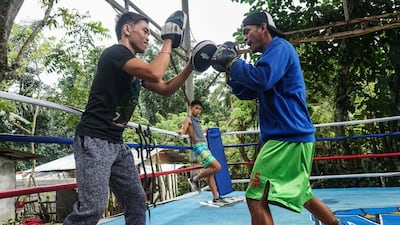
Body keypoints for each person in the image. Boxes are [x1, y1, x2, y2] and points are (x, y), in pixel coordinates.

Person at [210, 12, 340, 225]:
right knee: (303, 194)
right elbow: (249, 91)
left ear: (263, 27)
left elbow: (261, 79)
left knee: (255, 197)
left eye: (247, 32)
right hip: (292, 137)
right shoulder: (268, 58)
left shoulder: (280, 47)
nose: (245, 38)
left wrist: (232, 63)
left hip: (287, 138)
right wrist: (229, 71)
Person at [63, 11, 192, 225]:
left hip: (116, 144)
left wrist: (192, 66)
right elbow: (154, 73)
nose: (148, 37)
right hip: (95, 139)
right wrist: (168, 40)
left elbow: (166, 89)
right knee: (92, 208)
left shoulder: (134, 67)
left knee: (136, 202)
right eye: (145, 31)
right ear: (127, 29)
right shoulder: (115, 53)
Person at [177, 100, 226, 203]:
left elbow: (198, 132)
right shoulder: (188, 118)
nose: (198, 110)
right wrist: (181, 131)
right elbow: (184, 129)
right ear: (191, 108)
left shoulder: (197, 120)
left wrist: (206, 129)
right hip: (199, 146)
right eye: (196, 108)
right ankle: (195, 179)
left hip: (204, 145)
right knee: (217, 166)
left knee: (210, 172)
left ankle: (215, 196)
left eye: (200, 109)